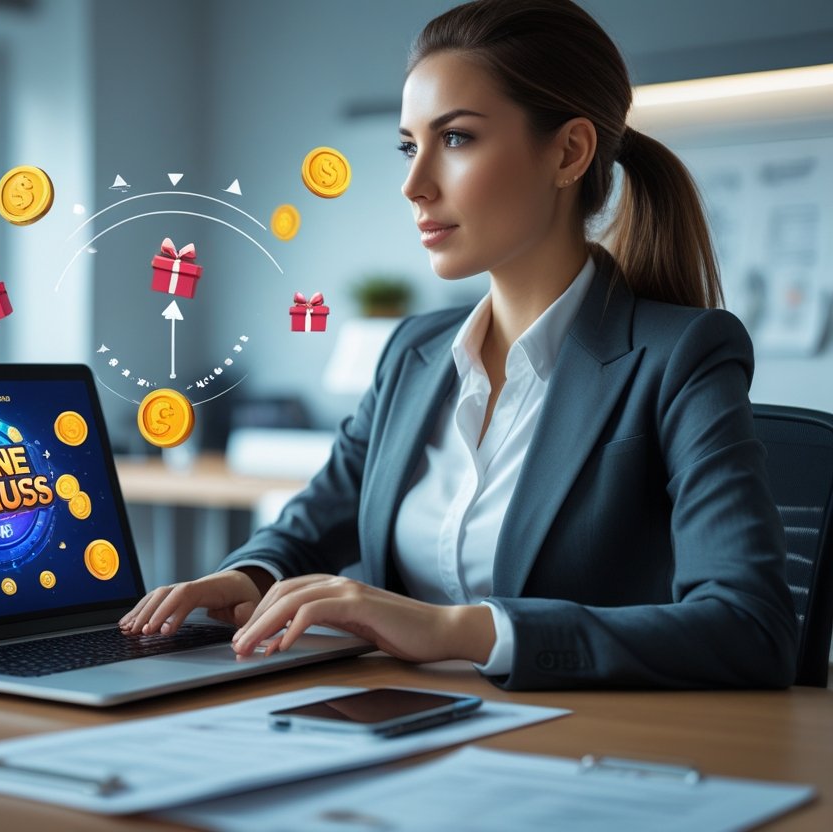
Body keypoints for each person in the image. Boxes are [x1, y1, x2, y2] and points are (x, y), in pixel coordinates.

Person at [119, 0, 798, 690]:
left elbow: (749, 626)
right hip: (392, 734)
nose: (414, 185)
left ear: (569, 152)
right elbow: (310, 525)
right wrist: (243, 578)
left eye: (458, 139)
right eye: (410, 146)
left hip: (575, 751)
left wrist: (454, 629)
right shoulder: (412, 352)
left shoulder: (681, 356)